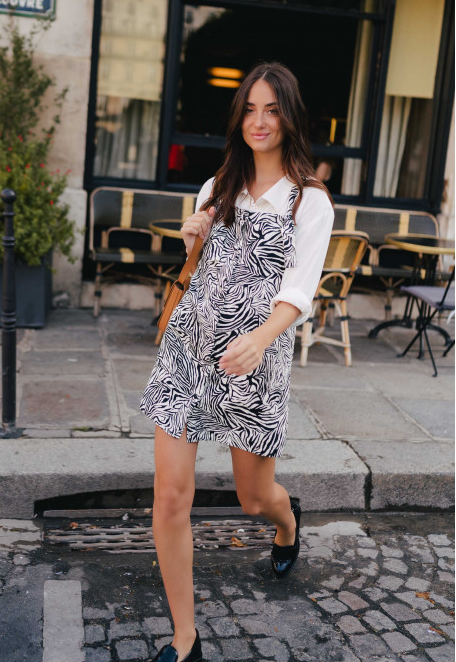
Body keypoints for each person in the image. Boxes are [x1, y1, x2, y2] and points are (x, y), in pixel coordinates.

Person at [140, 62, 334, 662]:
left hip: (253, 363)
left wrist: (260, 338)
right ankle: (185, 639)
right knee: (171, 497)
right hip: (188, 352)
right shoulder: (215, 186)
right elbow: (199, 269)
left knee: (254, 497)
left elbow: (299, 291)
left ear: (290, 117)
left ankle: (286, 522)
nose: (259, 121)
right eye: (250, 109)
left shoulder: (309, 201)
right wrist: (192, 238)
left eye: (271, 109)